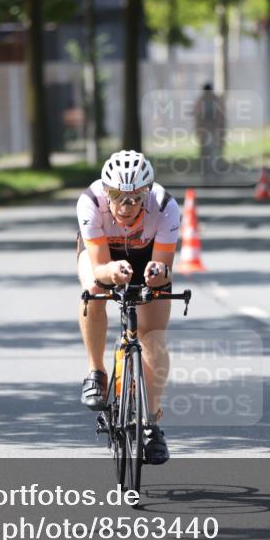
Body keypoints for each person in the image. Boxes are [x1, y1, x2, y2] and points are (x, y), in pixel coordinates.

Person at [76, 150, 181, 465]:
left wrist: (158, 274)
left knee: (154, 338)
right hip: (104, 258)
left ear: (146, 193)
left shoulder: (165, 207)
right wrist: (110, 272)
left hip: (148, 256)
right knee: (93, 290)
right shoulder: (90, 203)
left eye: (135, 198)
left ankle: (151, 423)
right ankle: (96, 372)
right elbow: (98, 269)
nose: (126, 206)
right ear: (106, 192)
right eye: (118, 196)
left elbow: (164, 269)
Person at [194, 83, 226, 178]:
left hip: (213, 130)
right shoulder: (202, 101)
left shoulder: (214, 100)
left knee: (214, 151)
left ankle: (215, 172)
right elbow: (197, 117)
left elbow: (220, 117)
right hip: (206, 130)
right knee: (206, 152)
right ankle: (206, 172)